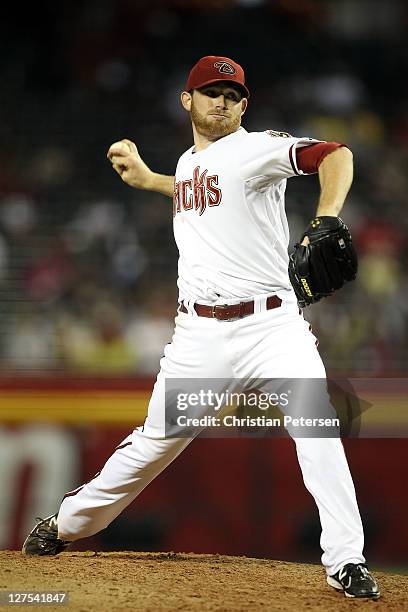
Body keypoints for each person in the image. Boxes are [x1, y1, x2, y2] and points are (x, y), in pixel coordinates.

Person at [22, 56, 380, 599]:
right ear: (187, 101)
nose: (223, 101)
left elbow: (336, 154)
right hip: (200, 338)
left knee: (318, 428)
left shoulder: (258, 148)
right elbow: (201, 188)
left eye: (232, 94)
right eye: (211, 92)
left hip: (271, 330)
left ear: (245, 105)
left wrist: (327, 217)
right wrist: (150, 181)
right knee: (155, 443)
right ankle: (67, 525)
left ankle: (346, 560)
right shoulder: (191, 164)